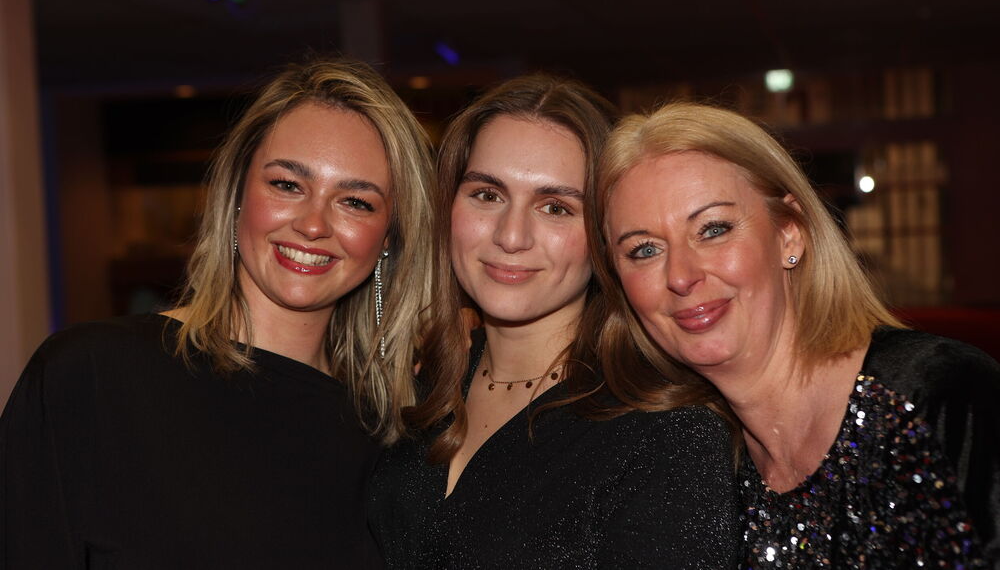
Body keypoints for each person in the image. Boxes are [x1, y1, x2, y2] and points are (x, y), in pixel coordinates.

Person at [0, 57, 434, 568]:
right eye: (286, 185)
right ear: (237, 193)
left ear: (389, 237)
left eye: (356, 201)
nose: (314, 224)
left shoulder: (394, 431)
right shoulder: (91, 375)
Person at [597, 102, 1000, 568]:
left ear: (789, 233)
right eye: (644, 250)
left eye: (713, 229)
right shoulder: (690, 466)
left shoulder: (937, 395)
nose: (681, 276)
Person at [367, 76, 740, 569]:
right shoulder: (422, 385)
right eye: (487, 194)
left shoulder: (666, 432)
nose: (511, 236)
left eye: (555, 207)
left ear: (605, 234)